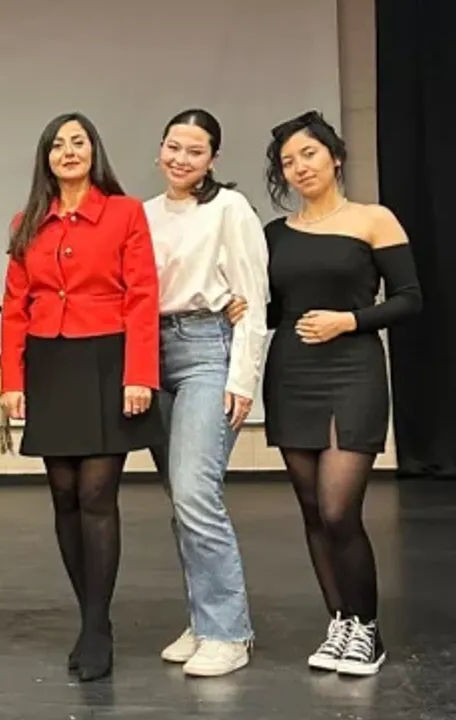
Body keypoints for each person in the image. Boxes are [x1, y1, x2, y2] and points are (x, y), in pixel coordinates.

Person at [0, 111, 162, 682]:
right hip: (49, 362)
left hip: (107, 360)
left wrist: (139, 374)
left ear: (94, 152)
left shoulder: (125, 212)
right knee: (64, 494)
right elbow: (15, 307)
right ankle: (89, 613)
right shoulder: (26, 222)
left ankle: (97, 626)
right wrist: (11, 381)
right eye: (58, 144)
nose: (69, 151)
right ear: (46, 158)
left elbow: (143, 296)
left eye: (79, 142)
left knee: (96, 493)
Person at [262, 110, 420, 677]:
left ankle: (367, 630)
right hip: (291, 372)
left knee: (338, 509)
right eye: (288, 162)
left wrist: (348, 321)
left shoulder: (373, 219)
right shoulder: (274, 235)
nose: (299, 167)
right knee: (311, 510)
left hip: (352, 370)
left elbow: (409, 298)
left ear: (335, 157)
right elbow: (274, 311)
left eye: (308, 154)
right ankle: (341, 623)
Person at [142, 109, 268, 677]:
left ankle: (228, 632)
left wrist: (242, 378)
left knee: (196, 492)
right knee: (181, 499)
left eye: (195, 151)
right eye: (174, 147)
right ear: (160, 149)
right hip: (153, 352)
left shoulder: (229, 208)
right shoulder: (144, 214)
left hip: (206, 349)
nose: (181, 159)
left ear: (212, 159)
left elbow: (252, 297)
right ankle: (203, 619)